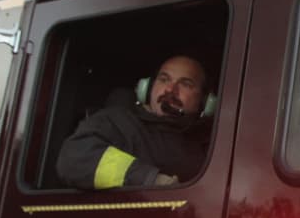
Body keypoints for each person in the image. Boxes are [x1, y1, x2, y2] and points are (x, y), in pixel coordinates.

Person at [57, 55, 211, 190]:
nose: (170, 89)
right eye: (164, 79)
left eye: (185, 84)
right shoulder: (118, 122)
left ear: (205, 102)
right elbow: (75, 159)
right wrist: (151, 179)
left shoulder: (210, 143)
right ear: (148, 87)